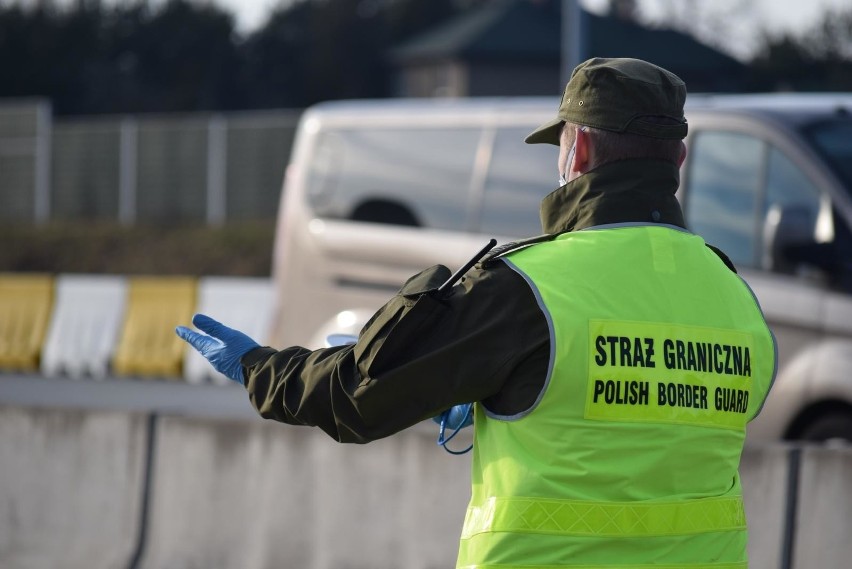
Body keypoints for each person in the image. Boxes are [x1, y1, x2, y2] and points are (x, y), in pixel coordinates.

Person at [177, 57, 777, 568]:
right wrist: (517, 389)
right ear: (677, 160)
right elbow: (657, 419)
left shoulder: (528, 288)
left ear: (581, 149)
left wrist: (260, 367)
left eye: (561, 143)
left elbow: (358, 396)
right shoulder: (735, 297)